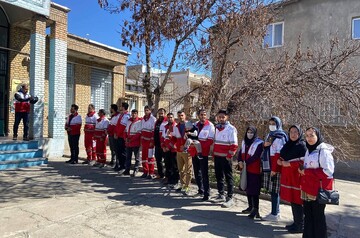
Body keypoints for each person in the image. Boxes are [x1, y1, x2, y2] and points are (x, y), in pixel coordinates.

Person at [299, 127, 334, 238]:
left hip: (317, 190)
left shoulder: (323, 151)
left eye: (312, 135)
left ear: (318, 136)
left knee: (318, 217)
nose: (309, 138)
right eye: (307, 135)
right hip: (307, 187)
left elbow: (328, 171)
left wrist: (308, 172)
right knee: (308, 216)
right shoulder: (308, 149)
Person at [278, 125, 307, 233]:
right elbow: (283, 155)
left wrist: (289, 164)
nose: (293, 134)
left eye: (295, 132)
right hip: (288, 177)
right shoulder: (288, 145)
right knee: (293, 201)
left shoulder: (302, 146)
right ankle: (296, 223)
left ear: (299, 134)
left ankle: (300, 225)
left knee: (298, 202)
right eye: (291, 132)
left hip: (297, 177)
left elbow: (304, 162)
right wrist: (280, 161)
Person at [262, 116, 288, 221]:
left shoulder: (281, 136)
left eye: (274, 124)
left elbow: (279, 153)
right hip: (269, 165)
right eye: (270, 123)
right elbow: (266, 148)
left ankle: (275, 213)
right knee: (272, 191)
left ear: (278, 124)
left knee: (275, 191)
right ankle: (274, 211)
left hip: (275, 167)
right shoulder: (270, 135)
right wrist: (265, 145)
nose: (271, 126)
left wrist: (274, 169)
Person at [213, 109, 238, 208]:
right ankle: (221, 194)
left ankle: (230, 197)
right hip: (217, 156)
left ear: (226, 117)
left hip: (226, 158)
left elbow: (234, 145)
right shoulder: (216, 128)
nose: (221, 119)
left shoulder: (231, 129)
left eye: (223, 117)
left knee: (228, 177)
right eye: (219, 117)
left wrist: (229, 156)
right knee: (219, 176)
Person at [238, 126, 263, 219]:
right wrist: (240, 160)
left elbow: (256, 156)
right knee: (247, 188)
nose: (249, 134)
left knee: (254, 190)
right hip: (245, 169)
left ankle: (256, 209)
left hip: (254, 170)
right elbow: (240, 152)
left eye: (251, 132)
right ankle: (250, 206)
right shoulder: (244, 141)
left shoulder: (259, 143)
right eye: (248, 132)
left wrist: (245, 162)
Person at [192, 109, 215, 201]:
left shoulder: (210, 126)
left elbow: (210, 140)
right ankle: (200, 190)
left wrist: (199, 147)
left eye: (204, 115)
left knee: (204, 173)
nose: (203, 116)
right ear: (198, 115)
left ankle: (206, 193)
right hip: (194, 152)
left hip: (203, 153)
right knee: (197, 172)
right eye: (201, 115)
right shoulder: (195, 125)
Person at [173, 111, 193, 195]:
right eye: (179, 116)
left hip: (187, 151)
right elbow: (174, 138)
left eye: (182, 115)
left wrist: (185, 146)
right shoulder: (176, 126)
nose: (180, 117)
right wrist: (175, 145)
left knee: (188, 170)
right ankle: (183, 184)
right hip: (178, 151)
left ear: (185, 116)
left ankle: (188, 186)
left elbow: (192, 138)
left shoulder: (189, 125)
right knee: (180, 169)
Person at [161, 112, 179, 187]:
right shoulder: (165, 127)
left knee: (174, 165)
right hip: (166, 149)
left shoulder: (176, 126)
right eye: (168, 117)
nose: (170, 119)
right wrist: (163, 147)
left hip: (173, 150)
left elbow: (176, 139)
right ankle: (168, 178)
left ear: (173, 118)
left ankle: (175, 180)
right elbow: (163, 138)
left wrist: (170, 147)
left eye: (171, 117)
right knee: (167, 164)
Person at [140, 106, 157, 179]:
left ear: (150, 111)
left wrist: (152, 141)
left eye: (147, 110)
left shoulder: (153, 119)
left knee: (150, 157)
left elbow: (153, 131)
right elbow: (141, 130)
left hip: (150, 141)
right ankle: (145, 171)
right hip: (144, 141)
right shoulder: (143, 119)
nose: (146, 112)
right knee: (144, 157)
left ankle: (151, 172)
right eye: (145, 110)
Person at [124, 109, 142, 176]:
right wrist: (125, 138)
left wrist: (131, 139)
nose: (133, 115)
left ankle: (136, 169)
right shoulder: (129, 121)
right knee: (128, 157)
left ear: (137, 114)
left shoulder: (139, 122)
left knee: (136, 157)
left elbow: (138, 134)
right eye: (132, 113)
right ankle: (127, 170)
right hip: (128, 142)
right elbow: (125, 131)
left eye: (135, 113)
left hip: (135, 142)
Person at [114, 102, 130, 173]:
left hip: (121, 136)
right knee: (119, 151)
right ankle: (120, 165)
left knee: (123, 152)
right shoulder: (122, 115)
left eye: (121, 106)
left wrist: (117, 134)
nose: (120, 107)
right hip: (118, 135)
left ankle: (123, 166)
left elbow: (122, 127)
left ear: (123, 107)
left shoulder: (126, 116)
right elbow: (117, 125)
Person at [154, 108, 167, 179]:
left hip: (164, 144)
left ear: (164, 114)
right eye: (159, 113)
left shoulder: (166, 122)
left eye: (162, 113)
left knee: (165, 160)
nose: (161, 115)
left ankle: (167, 175)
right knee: (158, 160)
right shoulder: (157, 122)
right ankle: (160, 174)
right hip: (157, 144)